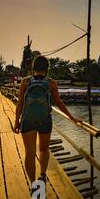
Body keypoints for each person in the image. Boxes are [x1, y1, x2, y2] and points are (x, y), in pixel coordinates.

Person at [13, 55, 82, 190]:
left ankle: (34, 185)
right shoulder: (51, 83)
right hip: (45, 120)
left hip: (28, 120)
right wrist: (72, 117)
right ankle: (43, 175)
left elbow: (20, 103)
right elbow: (58, 102)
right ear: (47, 68)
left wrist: (16, 122)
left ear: (33, 68)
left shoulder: (26, 82)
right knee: (44, 149)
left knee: (29, 153)